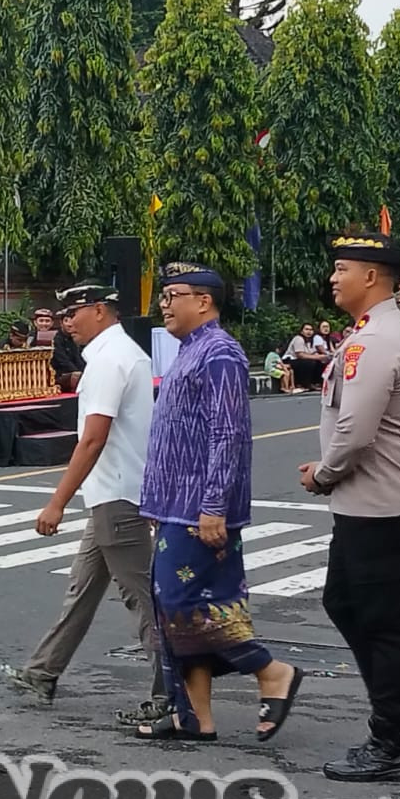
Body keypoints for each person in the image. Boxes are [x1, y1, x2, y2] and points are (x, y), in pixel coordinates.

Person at [133, 263, 303, 743]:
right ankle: (194, 717)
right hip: (174, 506)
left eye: (173, 295)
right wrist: (155, 500)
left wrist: (214, 506)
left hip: (198, 509)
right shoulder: (189, 351)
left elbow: (228, 435)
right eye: (163, 296)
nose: (164, 304)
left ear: (203, 301)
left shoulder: (220, 353)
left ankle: (271, 672)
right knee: (178, 610)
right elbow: (175, 435)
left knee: (190, 607)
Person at [297, 234, 400, 783]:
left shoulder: (373, 342)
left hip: (377, 502)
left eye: (341, 268)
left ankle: (392, 744)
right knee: (344, 603)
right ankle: (395, 716)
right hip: (367, 501)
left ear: (372, 277)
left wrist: (323, 473)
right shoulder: (370, 334)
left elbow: (354, 433)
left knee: (382, 624)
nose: (333, 277)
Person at [0, 282, 165, 725]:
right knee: (82, 589)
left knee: (143, 598)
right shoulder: (122, 354)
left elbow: (93, 439)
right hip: (112, 492)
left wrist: (56, 502)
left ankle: (170, 690)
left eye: (73, 314)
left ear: (100, 311)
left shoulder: (110, 360)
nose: (65, 323)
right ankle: (42, 671)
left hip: (117, 494)